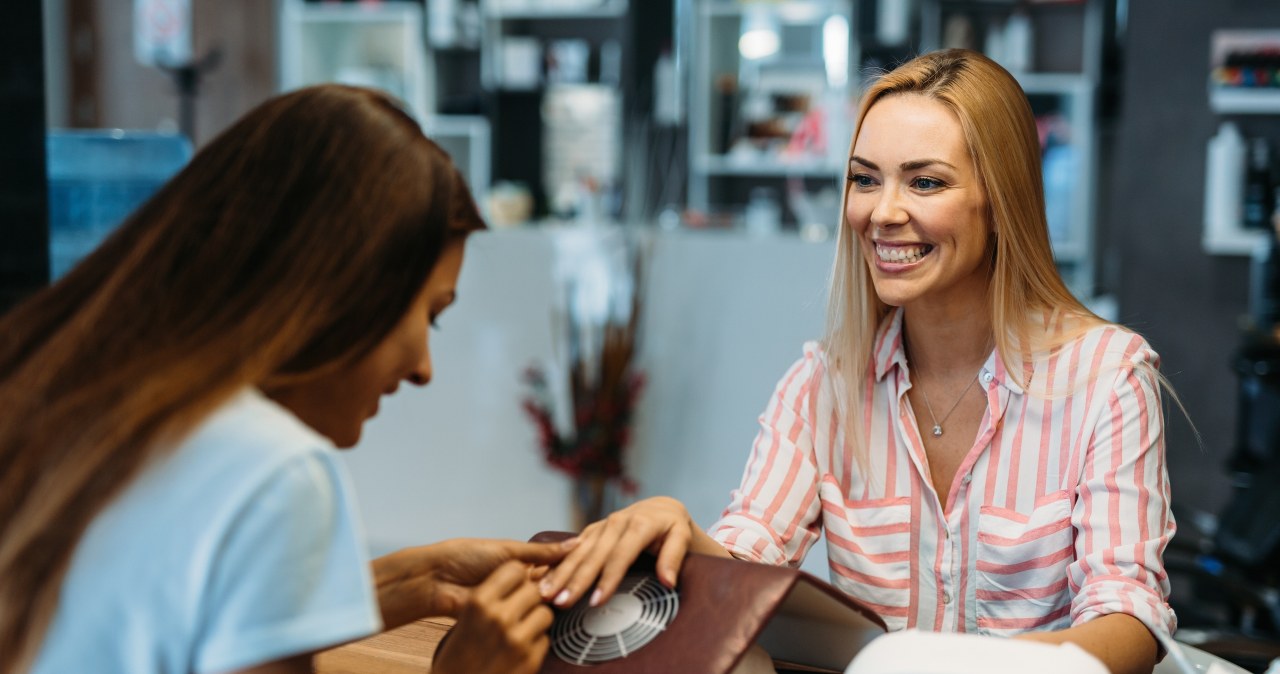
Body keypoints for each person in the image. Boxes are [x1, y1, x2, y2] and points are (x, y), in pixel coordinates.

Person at [538, 49, 1176, 674]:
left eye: (925, 182)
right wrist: (674, 530)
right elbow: (749, 555)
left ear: (1001, 200)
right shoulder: (822, 387)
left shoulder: (1105, 380)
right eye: (865, 179)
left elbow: (1128, 624)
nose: (882, 212)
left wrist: (929, 664)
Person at [0, 84, 572, 674]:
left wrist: (417, 578)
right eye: (428, 315)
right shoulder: (277, 473)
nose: (423, 369)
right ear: (353, 286)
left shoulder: (67, 395)